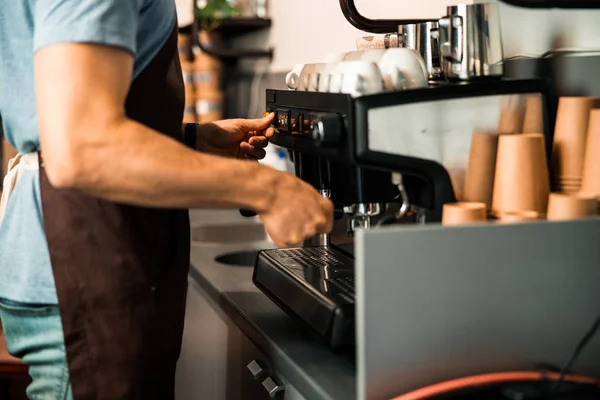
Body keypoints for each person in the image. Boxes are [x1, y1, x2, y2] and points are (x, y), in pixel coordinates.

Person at [0, 0, 334, 399]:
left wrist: (191, 140)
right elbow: (82, 147)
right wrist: (268, 189)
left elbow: (69, 118)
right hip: (82, 259)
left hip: (87, 252)